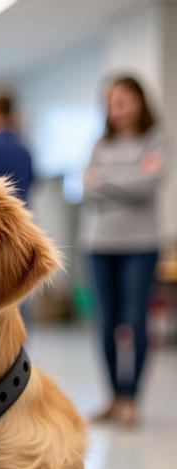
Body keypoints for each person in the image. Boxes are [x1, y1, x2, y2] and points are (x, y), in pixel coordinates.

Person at [81, 75, 168, 427]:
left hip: (140, 245)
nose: (115, 109)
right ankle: (114, 396)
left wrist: (105, 181)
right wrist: (119, 181)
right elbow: (86, 189)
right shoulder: (100, 143)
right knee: (106, 323)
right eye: (110, 102)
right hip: (99, 243)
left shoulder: (156, 141)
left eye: (122, 101)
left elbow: (146, 186)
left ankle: (132, 398)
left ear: (139, 102)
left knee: (135, 321)